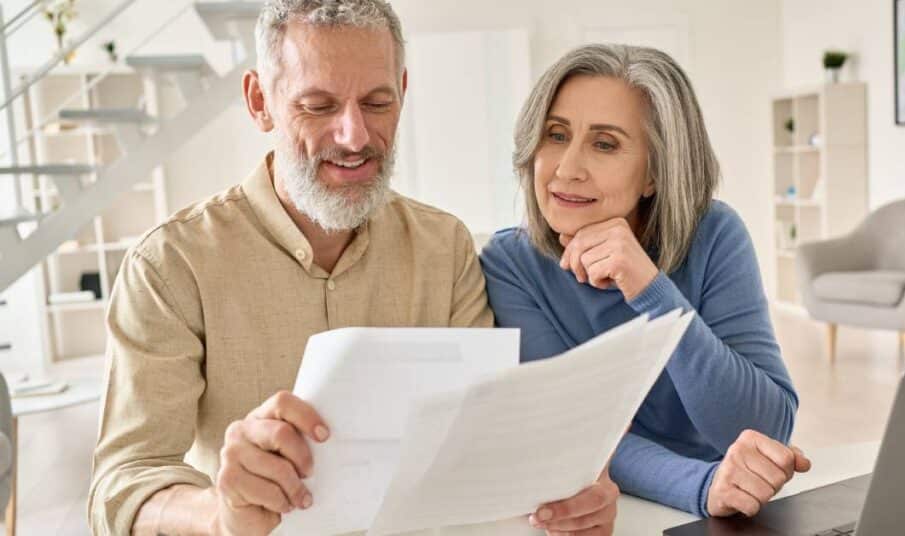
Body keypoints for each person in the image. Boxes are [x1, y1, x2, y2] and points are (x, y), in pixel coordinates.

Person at [88, 2, 617, 535]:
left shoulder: (444, 246)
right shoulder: (172, 264)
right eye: (318, 106)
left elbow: (483, 436)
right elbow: (125, 483)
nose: (355, 136)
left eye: (377, 102)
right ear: (259, 101)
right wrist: (220, 514)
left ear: (403, 92)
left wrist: (565, 484)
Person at [480, 44, 811, 522]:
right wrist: (701, 486)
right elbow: (572, 431)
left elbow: (765, 427)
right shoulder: (511, 263)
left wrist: (652, 291)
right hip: (608, 509)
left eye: (605, 143)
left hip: (720, 509)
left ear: (655, 171)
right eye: (555, 135)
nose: (567, 168)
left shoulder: (715, 234)